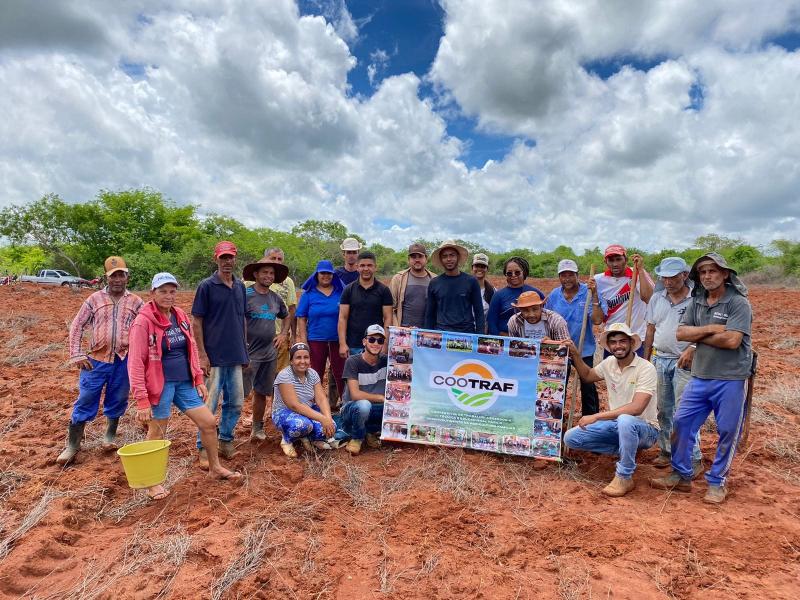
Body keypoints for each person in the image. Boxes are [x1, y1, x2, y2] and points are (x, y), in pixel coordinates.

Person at [650, 253, 753, 504]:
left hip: (731, 378)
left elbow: (732, 340)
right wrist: (711, 329)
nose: (707, 276)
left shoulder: (738, 303)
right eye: (703, 272)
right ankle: (681, 474)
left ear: (725, 274)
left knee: (727, 431)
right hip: (700, 376)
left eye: (713, 271)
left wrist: (697, 335)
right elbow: (681, 333)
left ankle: (717, 482)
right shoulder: (697, 301)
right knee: (681, 423)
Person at [128, 273, 241, 499]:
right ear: (152, 293)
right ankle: (152, 483)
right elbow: (135, 362)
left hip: (183, 383)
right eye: (163, 291)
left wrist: (198, 379)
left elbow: (191, 348)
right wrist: (141, 400)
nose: (168, 296)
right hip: (160, 385)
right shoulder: (143, 321)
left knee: (208, 422)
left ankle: (215, 468)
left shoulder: (179, 315)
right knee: (157, 432)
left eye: (172, 291)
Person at [58, 256, 144, 465]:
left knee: (118, 397)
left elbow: (145, 327)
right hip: (96, 359)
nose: (117, 279)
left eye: (121, 275)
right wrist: (77, 354)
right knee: (86, 398)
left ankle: (109, 437)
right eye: (113, 276)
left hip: (123, 359)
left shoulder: (136, 302)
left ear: (127, 277)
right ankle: (73, 445)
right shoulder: (94, 299)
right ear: (106, 278)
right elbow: (77, 325)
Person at [562, 323, 659, 497]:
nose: (618, 346)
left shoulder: (646, 368)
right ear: (608, 345)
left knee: (625, 420)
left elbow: (637, 408)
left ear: (631, 343)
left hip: (647, 429)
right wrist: (575, 354)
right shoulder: (609, 363)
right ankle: (627, 449)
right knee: (571, 438)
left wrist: (596, 416)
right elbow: (588, 376)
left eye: (622, 341)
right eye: (613, 342)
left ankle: (624, 476)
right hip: (618, 425)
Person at [643, 257, 703, 472]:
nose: (667, 282)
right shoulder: (657, 298)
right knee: (663, 409)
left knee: (685, 411)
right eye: (664, 278)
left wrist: (693, 347)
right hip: (660, 359)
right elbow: (650, 329)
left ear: (685, 275)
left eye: (673, 277)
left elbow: (705, 330)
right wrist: (646, 360)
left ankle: (693, 458)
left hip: (685, 362)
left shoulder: (697, 299)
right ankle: (667, 450)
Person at [191, 241, 248, 466]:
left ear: (235, 258)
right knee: (209, 404)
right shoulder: (206, 286)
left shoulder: (240, 286)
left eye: (230, 257)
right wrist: (202, 355)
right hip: (214, 356)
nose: (227, 261)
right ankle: (204, 447)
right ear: (216, 259)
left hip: (235, 354)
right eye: (223, 257)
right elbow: (197, 321)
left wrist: (244, 350)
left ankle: (225, 440)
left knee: (235, 402)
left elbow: (242, 319)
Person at [545, 259, 606, 415]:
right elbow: (547, 319)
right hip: (560, 348)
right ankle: (555, 419)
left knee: (588, 385)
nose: (567, 279)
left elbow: (597, 320)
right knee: (557, 385)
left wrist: (595, 295)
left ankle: (590, 419)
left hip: (583, 348)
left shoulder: (588, 292)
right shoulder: (554, 295)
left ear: (577, 275)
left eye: (570, 275)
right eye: (563, 275)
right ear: (559, 277)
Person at [242, 258, 289, 442]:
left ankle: (257, 428)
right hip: (247, 353)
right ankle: (225, 431)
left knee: (261, 392)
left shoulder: (275, 298)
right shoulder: (245, 295)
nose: (268, 276)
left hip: (269, 353)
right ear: (256, 274)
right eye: (265, 272)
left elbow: (286, 316)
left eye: (271, 273)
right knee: (239, 394)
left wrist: (283, 334)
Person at [271, 342, 337, 457]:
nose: (303, 361)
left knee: (332, 425)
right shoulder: (284, 375)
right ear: (291, 361)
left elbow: (321, 399)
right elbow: (294, 405)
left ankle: (313, 439)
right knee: (303, 425)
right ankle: (286, 440)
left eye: (306, 357)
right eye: (298, 357)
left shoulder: (313, 374)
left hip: (307, 410)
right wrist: (322, 418)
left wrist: (328, 419)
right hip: (285, 411)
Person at [297, 260, 346, 398]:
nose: (326, 276)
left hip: (337, 340)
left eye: (329, 273)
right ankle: (314, 403)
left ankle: (345, 403)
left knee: (341, 373)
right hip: (315, 340)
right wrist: (303, 341)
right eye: (322, 273)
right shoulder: (308, 294)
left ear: (333, 275)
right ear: (317, 275)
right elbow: (301, 318)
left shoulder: (340, 292)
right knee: (315, 373)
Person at [594, 244, 654, 350]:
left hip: (635, 336)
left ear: (625, 260)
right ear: (605, 262)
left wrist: (640, 270)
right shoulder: (598, 280)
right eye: (611, 260)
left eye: (618, 259)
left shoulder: (637, 274)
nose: (615, 264)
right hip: (613, 337)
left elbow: (648, 298)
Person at [341, 325, 388, 455]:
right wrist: (380, 398)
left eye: (380, 341)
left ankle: (369, 431)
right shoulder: (352, 361)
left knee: (396, 407)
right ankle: (357, 437)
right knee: (364, 405)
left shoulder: (387, 361)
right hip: (353, 409)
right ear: (364, 341)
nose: (376, 344)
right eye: (372, 339)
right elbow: (355, 395)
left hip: (376, 408)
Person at [338, 251, 393, 356]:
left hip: (376, 343)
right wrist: (342, 344)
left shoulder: (384, 291)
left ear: (375, 267)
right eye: (362, 265)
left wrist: (385, 344)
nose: (366, 269)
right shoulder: (348, 290)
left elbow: (388, 318)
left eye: (369, 265)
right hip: (353, 344)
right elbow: (342, 318)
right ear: (357, 267)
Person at [424, 240, 485, 334]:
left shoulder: (471, 282)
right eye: (444, 256)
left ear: (458, 257)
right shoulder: (434, 283)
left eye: (452, 255)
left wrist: (479, 336)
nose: (448, 259)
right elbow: (430, 314)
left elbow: (479, 312)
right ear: (441, 260)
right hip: (442, 334)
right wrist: (427, 334)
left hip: (466, 334)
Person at [487, 257, 545, 335]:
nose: (513, 275)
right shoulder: (498, 296)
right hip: (506, 338)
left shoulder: (536, 293)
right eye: (509, 273)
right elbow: (491, 322)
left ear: (524, 272)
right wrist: (499, 339)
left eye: (517, 272)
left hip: (532, 337)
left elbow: (546, 316)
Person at [263, 247, 297, 372]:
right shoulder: (253, 280)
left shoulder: (288, 281)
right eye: (273, 258)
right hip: (258, 334)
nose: (277, 261)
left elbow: (291, 308)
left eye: (279, 259)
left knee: (281, 372)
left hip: (280, 334)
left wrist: (292, 335)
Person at [389, 243, 434, 328]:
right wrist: (398, 329)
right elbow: (391, 308)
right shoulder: (398, 279)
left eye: (420, 256)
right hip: (403, 332)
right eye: (413, 257)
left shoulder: (434, 280)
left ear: (426, 258)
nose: (417, 260)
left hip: (427, 332)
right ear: (408, 259)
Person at [506, 291, 571, 343]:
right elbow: (513, 347)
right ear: (520, 310)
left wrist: (552, 344)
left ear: (541, 307)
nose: (531, 315)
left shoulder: (556, 321)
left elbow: (565, 348)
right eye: (525, 310)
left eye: (535, 309)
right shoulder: (514, 321)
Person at [471, 253, 495, 328]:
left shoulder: (493, 292)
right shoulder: (463, 289)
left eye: (483, 266)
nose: (479, 269)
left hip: (484, 331)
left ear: (487, 269)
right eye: (477, 266)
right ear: (472, 268)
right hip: (465, 331)